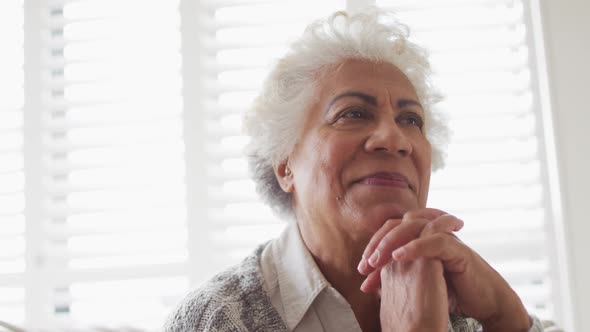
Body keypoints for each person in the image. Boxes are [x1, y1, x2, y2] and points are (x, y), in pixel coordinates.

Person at [164, 8, 561, 332]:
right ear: (284, 164)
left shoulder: (468, 303)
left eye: (411, 120)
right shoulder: (214, 320)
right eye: (353, 113)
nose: (395, 138)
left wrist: (506, 317)